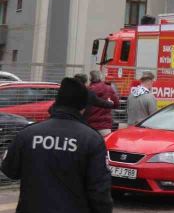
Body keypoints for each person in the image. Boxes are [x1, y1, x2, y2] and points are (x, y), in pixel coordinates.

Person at [1, 77, 113, 213]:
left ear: (57, 103)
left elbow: (9, 170)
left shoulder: (28, 134)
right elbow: (99, 190)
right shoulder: (92, 139)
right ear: (83, 107)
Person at [84, 71, 119, 136]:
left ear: (90, 79)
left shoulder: (87, 90)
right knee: (105, 144)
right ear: (101, 78)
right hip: (104, 126)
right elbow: (116, 104)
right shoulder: (108, 88)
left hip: (89, 125)